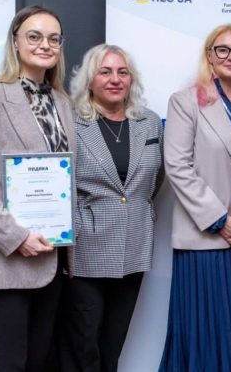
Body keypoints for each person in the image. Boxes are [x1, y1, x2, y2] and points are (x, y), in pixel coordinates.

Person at [0, 5, 75, 372]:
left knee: (39, 360)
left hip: (52, 253)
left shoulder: (62, 102)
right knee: (12, 364)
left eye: (53, 39)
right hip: (7, 255)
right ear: (15, 42)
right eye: (34, 36)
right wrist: (17, 236)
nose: (45, 45)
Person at [159, 24, 231, 372]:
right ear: (210, 56)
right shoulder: (185, 102)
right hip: (206, 239)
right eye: (222, 49)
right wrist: (220, 220)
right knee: (208, 337)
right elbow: (177, 166)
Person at [61, 44, 164, 372]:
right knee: (84, 344)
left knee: (114, 341)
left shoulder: (150, 122)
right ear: (89, 80)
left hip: (134, 244)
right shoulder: (71, 122)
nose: (115, 79)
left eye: (122, 72)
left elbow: (156, 178)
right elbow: (61, 183)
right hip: (86, 247)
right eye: (105, 72)